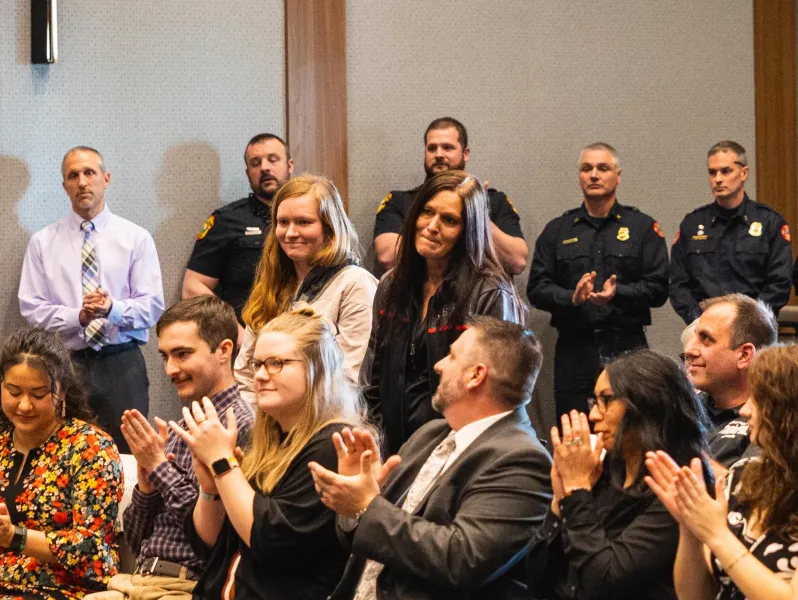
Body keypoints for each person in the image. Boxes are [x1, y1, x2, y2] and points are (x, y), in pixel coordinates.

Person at [310, 316, 553, 599]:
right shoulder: (430, 434)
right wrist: (356, 500)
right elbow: (368, 538)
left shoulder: (523, 461)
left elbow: (461, 560)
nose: (438, 365)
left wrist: (367, 505)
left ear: (476, 375)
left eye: (451, 356)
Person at [173, 308, 368, 599]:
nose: (261, 376)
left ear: (317, 368)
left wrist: (222, 464)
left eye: (276, 363)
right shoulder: (259, 443)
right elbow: (209, 545)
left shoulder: (334, 445)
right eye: (257, 364)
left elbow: (270, 543)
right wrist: (210, 488)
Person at [96, 296, 254, 600]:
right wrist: (146, 487)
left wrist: (159, 466)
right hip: (136, 580)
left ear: (224, 350)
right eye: (165, 356)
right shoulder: (179, 428)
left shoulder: (243, 427)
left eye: (182, 354)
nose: (170, 369)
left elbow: (212, 538)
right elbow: (136, 540)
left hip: (189, 585)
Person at [526, 349, 711, 600]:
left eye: (606, 399)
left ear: (646, 403)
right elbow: (534, 576)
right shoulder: (603, 470)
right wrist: (560, 502)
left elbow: (602, 585)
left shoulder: (678, 484)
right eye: (594, 401)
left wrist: (577, 490)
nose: (593, 414)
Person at [363, 169, 524, 454]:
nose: (432, 226)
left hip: (462, 454)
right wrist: (376, 447)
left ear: (468, 230)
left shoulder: (490, 292)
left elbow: (496, 400)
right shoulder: (390, 285)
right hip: (395, 454)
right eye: (427, 212)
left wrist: (446, 460)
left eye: (449, 220)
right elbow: (372, 383)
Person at [18, 146, 165, 454]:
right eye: (73, 176)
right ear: (64, 186)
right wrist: (78, 317)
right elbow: (31, 308)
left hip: (122, 363)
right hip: (66, 364)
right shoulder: (43, 242)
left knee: (127, 452)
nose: (82, 182)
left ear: (106, 178)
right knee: (65, 452)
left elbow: (152, 306)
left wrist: (112, 309)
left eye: (89, 173)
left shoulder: (135, 238)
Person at [527, 142, 669, 418]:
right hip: (575, 350)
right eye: (586, 168)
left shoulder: (642, 227)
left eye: (602, 168)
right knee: (575, 429)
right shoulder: (557, 230)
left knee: (632, 427)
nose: (594, 175)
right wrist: (571, 297)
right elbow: (537, 289)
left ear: (618, 176)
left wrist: (618, 293)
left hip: (627, 346)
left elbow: (659, 288)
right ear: (579, 176)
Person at [645, 344, 798, 600]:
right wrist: (691, 527)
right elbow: (694, 595)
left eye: (758, 399)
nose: (744, 411)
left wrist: (716, 534)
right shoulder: (742, 477)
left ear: (788, 411)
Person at [0, 328, 122, 600]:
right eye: (14, 392)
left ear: (62, 391)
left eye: (38, 394)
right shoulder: (2, 443)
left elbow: (92, 547)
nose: (24, 405)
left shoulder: (89, 447)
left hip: (61, 589)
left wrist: (14, 537)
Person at [234, 174, 377, 403]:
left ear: (330, 227)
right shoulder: (271, 285)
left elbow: (351, 379)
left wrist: (287, 411)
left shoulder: (355, 283)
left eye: (304, 222)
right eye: (283, 222)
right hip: (264, 418)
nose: (291, 233)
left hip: (328, 418)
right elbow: (245, 375)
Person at [373, 116, 528, 274]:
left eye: (447, 148)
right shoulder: (399, 201)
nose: (439, 154)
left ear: (465, 153)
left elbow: (517, 262)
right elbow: (388, 257)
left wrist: (477, 213)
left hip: (478, 287)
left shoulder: (494, 201)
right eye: (432, 148)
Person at [183, 134, 295, 336]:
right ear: (248, 172)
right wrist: (238, 335)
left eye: (273, 159)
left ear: (290, 165)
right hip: (249, 338)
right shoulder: (226, 220)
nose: (264, 168)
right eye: (255, 163)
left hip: (305, 335)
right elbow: (192, 287)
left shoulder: (312, 215)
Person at [670, 140, 792, 324]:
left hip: (754, 328)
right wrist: (700, 319)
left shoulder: (770, 223)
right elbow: (678, 284)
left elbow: (780, 283)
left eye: (726, 171)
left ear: (744, 173)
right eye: (712, 172)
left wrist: (746, 320)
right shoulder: (692, 224)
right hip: (704, 326)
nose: (718, 179)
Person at [683, 294, 776, 468]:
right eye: (694, 337)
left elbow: (750, 484)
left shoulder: (773, 422)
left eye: (706, 339)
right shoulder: (681, 408)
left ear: (744, 355)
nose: (689, 350)